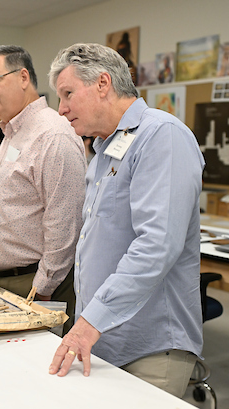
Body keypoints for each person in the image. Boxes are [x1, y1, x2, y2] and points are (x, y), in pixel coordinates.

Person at [47, 43, 204, 398]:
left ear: (103, 83)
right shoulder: (104, 147)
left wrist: (90, 322)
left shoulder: (162, 136)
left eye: (68, 94)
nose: (62, 109)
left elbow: (156, 245)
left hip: (149, 347)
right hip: (104, 339)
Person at [0, 45, 86, 335]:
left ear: (24, 77)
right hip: (4, 281)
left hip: (34, 285)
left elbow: (64, 222)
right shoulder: (13, 132)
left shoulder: (53, 135)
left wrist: (42, 288)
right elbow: (16, 200)